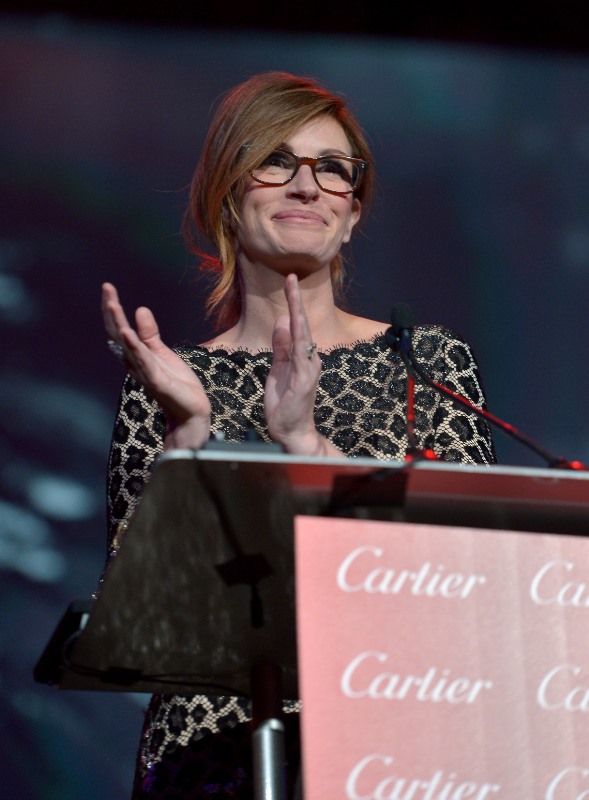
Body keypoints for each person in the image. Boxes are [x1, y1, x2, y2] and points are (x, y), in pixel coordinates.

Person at [100, 70, 497, 798]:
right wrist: (189, 435)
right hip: (207, 756)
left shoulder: (426, 365)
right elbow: (135, 617)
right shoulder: (168, 382)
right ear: (227, 194)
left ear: (351, 214)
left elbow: (465, 580)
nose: (307, 186)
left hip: (388, 745)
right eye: (276, 162)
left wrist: (308, 446)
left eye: (333, 169)